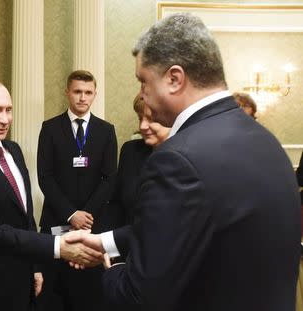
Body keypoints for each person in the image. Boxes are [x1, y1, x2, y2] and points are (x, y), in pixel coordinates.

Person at [68, 13, 301, 311]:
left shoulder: (177, 159)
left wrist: (110, 266)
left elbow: (139, 296)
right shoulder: (266, 142)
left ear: (174, 79)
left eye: (143, 81)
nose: (142, 95)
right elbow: (198, 227)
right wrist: (106, 241)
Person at [0, 78, 102, 311]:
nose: (5, 119)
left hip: (24, 278)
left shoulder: (13, 150)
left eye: (8, 110)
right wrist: (58, 246)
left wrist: (35, 266)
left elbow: (25, 216)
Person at [36, 70, 117, 311]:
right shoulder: (49, 128)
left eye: (88, 92)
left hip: (95, 225)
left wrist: (86, 215)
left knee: (90, 295)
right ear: (67, 93)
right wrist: (72, 214)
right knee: (54, 295)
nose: (82, 98)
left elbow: (110, 178)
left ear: (94, 94)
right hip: (57, 222)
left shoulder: (106, 130)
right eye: (77, 92)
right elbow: (45, 177)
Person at [109, 94, 170, 228]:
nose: (142, 126)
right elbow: (116, 204)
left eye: (150, 119)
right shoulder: (130, 151)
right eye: (140, 118)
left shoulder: (186, 156)